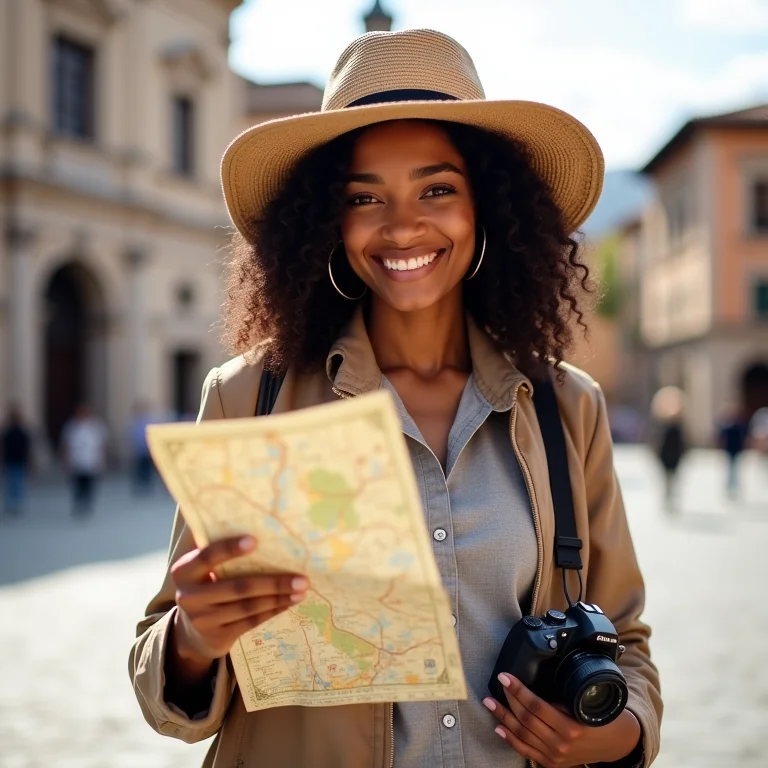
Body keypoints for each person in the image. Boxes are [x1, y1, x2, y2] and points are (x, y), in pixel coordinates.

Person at [130, 29, 661, 768]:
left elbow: (626, 643)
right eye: (363, 197)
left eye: (437, 189)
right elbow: (168, 692)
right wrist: (192, 639)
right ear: (328, 221)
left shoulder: (569, 408)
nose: (402, 224)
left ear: (487, 207)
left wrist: (617, 731)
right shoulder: (248, 396)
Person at [60, 403, 108, 516]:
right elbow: (65, 444)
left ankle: (87, 504)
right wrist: (66, 459)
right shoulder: (71, 426)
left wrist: (102, 459)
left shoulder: (96, 426)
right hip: (76, 460)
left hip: (91, 460)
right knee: (77, 485)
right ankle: (78, 504)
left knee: (89, 485)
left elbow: (102, 444)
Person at [649, 386, 686, 513]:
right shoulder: (666, 428)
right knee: (668, 479)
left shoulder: (676, 429)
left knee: (671, 479)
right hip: (667, 457)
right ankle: (668, 497)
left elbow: (682, 444)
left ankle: (670, 497)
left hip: (673, 458)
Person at [1, 405, 32, 515]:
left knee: (16, 483)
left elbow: (26, 448)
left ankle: (15, 504)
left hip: (17, 460)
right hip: (12, 460)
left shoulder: (20, 433)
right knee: (13, 483)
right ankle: (13, 503)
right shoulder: (8, 433)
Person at [717, 403, 749, 498]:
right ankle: (729, 486)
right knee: (730, 468)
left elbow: (744, 436)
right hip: (729, 449)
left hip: (737, 449)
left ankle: (734, 486)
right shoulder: (727, 425)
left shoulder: (740, 425)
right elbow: (721, 436)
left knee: (735, 468)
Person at [128, 402, 156, 494]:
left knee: (146, 469)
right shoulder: (135, 422)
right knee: (139, 469)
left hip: (146, 450)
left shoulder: (148, 421)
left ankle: (146, 486)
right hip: (139, 450)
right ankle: (140, 486)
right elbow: (132, 436)